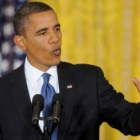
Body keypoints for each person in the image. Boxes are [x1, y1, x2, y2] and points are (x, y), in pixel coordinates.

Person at [0, 1, 140, 140]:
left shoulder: (89, 79)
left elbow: (130, 121)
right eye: (43, 33)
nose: (55, 38)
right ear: (21, 42)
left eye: (57, 29)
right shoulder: (3, 91)